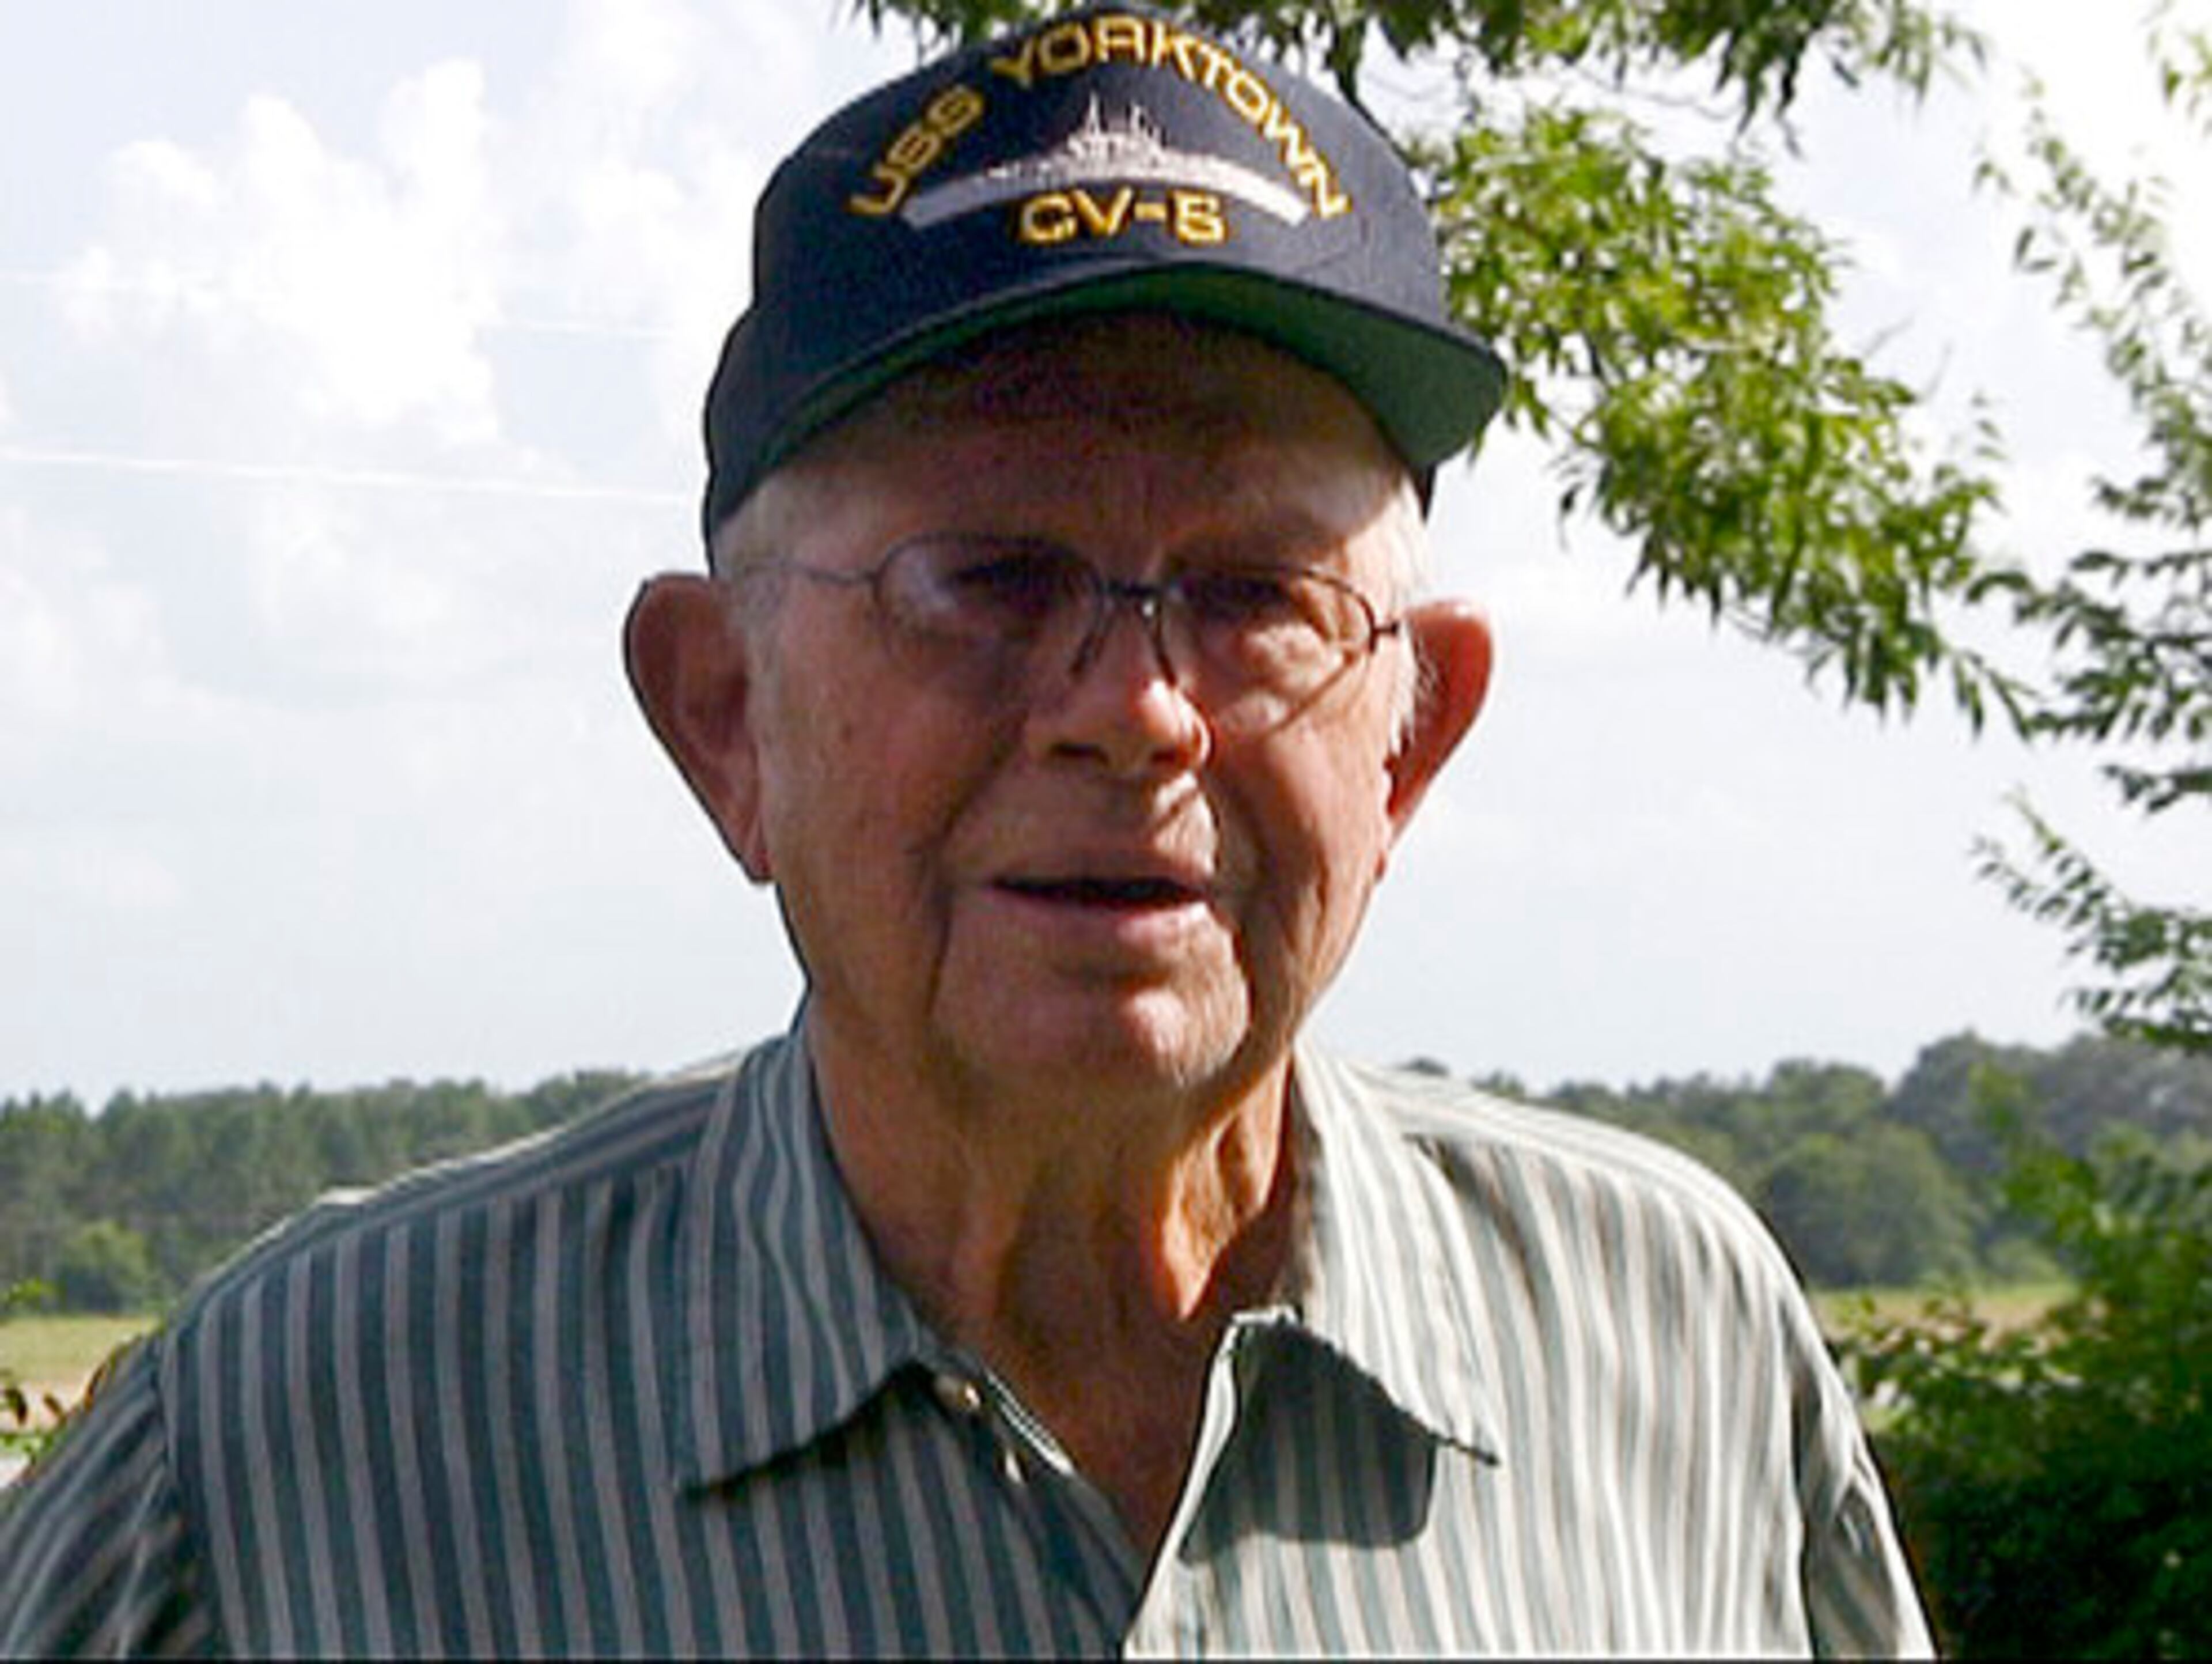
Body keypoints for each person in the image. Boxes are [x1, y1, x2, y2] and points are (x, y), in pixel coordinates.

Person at [0, 5, 1931, 1654]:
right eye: (991, 578)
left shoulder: (1677, 1344)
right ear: (723, 716)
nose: (1135, 709)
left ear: (1413, 739)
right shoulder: (276, 1456)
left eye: (1257, 593)